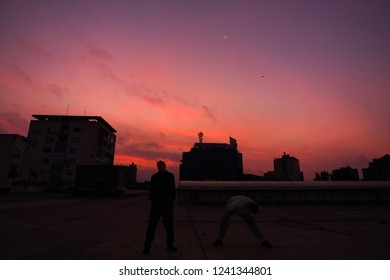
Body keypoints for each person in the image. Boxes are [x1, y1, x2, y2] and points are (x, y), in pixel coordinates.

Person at [144, 160, 177, 254]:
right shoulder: (154, 177)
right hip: (156, 205)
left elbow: (173, 190)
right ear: (157, 167)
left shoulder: (170, 176)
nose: (160, 167)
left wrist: (171, 202)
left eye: (162, 165)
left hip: (167, 205)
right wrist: (153, 201)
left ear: (165, 166)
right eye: (158, 165)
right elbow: (152, 191)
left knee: (169, 226)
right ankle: (147, 246)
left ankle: (170, 245)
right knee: (151, 226)